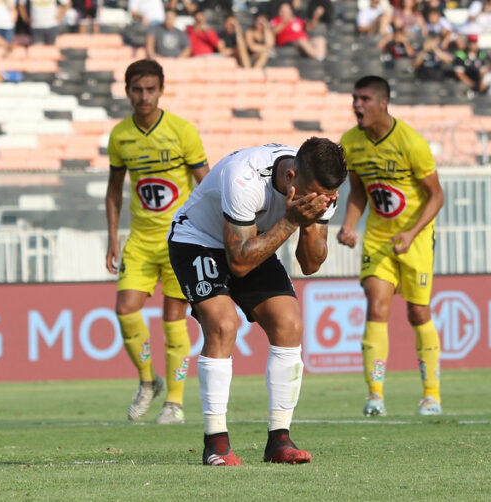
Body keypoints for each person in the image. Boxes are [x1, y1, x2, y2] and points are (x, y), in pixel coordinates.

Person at [168, 138, 347, 466]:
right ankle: (216, 444)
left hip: (254, 239)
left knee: (289, 324)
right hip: (198, 240)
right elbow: (239, 263)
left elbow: (310, 264)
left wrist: (308, 221)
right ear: (291, 177)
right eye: (316, 194)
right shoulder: (245, 178)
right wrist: (291, 221)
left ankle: (280, 440)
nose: (322, 201)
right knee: (223, 324)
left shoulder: (322, 192)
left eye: (329, 196)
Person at [106, 59, 210, 424]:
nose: (144, 96)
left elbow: (206, 183)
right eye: (137, 90)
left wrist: (209, 232)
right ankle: (148, 380)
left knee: (173, 317)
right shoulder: (120, 136)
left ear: (161, 90)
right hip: (140, 239)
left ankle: (175, 403)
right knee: (125, 309)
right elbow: (114, 191)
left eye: (150, 89)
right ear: (127, 92)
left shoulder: (182, 131)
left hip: (179, 239)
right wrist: (112, 238)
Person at [338, 76, 445, 418]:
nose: (357, 105)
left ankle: (431, 395)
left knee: (418, 313)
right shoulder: (350, 143)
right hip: (378, 237)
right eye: (355, 98)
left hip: (415, 238)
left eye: (364, 99)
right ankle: (375, 395)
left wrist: (412, 233)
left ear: (383, 102)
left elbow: (436, 196)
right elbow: (358, 192)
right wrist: (348, 226)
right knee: (376, 306)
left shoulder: (411, 142)